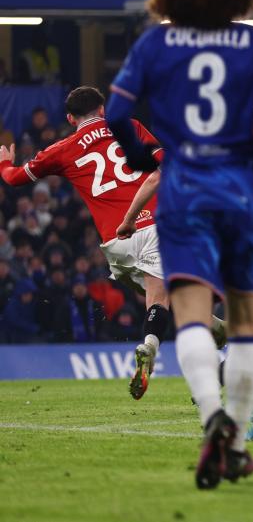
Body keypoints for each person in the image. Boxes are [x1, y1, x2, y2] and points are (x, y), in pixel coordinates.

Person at [103, 0, 253, 489]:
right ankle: (233, 437)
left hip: (183, 187)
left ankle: (210, 414)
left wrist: (142, 153)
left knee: (188, 312)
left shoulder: (154, 45)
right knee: (242, 317)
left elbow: (117, 112)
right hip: (239, 189)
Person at [0, 86, 174, 399]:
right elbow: (164, 165)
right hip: (150, 225)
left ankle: (213, 329)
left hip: (115, 245)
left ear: (69, 117)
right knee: (161, 299)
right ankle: (150, 345)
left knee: (158, 294)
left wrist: (4, 163)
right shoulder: (130, 126)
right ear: (103, 109)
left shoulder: (62, 149)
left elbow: (14, 179)